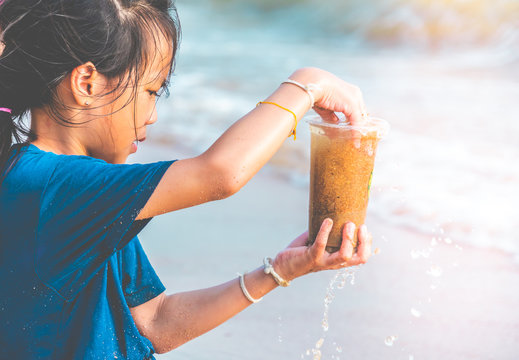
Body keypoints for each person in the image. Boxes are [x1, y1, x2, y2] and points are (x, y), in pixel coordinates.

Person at [0, 0, 373, 359]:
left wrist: (279, 270)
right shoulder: (52, 188)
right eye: (150, 92)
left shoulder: (82, 192)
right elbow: (220, 173)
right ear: (87, 82)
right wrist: (307, 85)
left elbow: (154, 321)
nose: (153, 115)